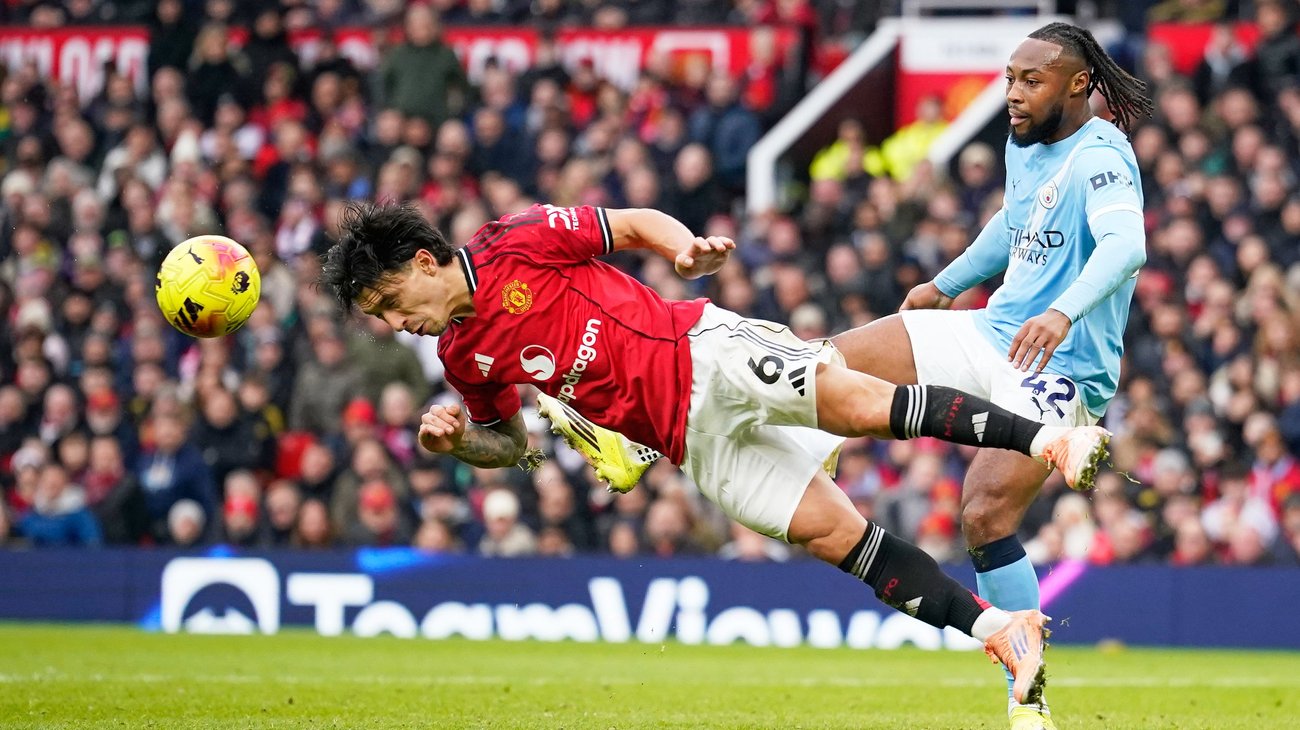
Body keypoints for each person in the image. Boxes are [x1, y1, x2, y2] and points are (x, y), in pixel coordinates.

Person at [322, 200, 1115, 711]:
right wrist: (463, 441)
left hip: (705, 352)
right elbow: (515, 443)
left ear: (422, 263)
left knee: (865, 407)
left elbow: (627, 225)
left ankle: (1051, 437)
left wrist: (683, 248)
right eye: (381, 319)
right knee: (834, 538)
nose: (397, 324)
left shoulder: (511, 246)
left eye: (391, 304)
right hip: (690, 443)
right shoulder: (464, 359)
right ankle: (1000, 632)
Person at [828, 22, 1154, 730]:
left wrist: (1064, 314)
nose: (1012, 93)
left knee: (984, 512)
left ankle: (1026, 686)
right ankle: (709, 433)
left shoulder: (1101, 154)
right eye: (1009, 78)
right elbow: (1013, 225)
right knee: (829, 360)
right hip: (993, 330)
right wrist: (942, 284)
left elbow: (1127, 246)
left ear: (1077, 84)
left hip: (1063, 361)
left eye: (1029, 81)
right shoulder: (1025, 139)